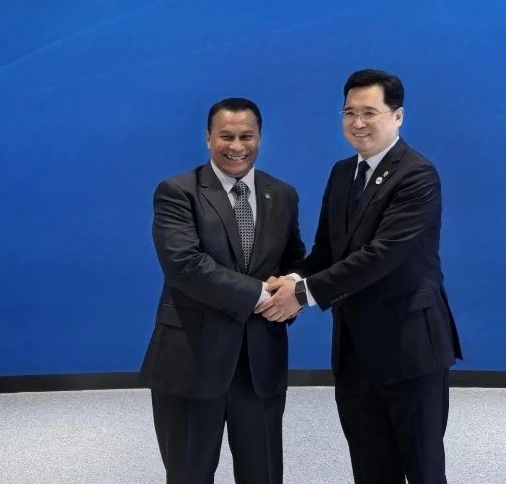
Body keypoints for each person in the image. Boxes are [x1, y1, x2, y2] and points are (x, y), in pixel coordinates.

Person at [258, 70, 462, 484]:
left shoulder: (417, 175)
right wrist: (291, 278)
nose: (358, 122)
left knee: (423, 468)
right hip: (354, 351)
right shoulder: (341, 173)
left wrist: (302, 293)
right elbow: (327, 252)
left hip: (410, 349)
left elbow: (380, 257)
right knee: (370, 467)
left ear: (398, 116)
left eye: (370, 112)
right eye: (349, 112)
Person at [141, 97, 306, 484]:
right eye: (225, 136)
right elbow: (185, 265)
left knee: (264, 474)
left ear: (260, 138)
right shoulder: (177, 192)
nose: (236, 146)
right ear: (208, 138)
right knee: (189, 474)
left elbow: (294, 259)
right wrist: (263, 295)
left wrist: (295, 290)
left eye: (246, 136)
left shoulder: (282, 194)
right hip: (192, 361)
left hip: (260, 363)